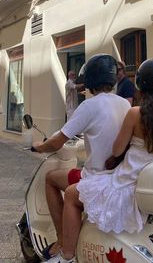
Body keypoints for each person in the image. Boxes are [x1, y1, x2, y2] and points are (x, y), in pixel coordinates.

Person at [44, 58, 153, 263]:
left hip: (125, 185)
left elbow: (116, 150)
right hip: (150, 187)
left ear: (140, 84)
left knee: (72, 195)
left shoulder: (135, 113)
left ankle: (67, 255)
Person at [32, 54, 131, 260]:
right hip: (118, 178)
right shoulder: (125, 104)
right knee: (60, 179)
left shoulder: (89, 105)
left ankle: (63, 245)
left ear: (90, 79)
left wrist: (40, 147)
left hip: (95, 180)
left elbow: (58, 140)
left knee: (52, 180)